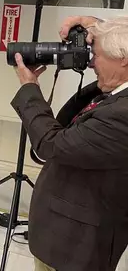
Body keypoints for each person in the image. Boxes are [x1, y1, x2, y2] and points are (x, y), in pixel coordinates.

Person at [11, 15, 128, 271]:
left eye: (95, 55)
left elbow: (51, 144)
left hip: (74, 246)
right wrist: (95, 24)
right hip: (71, 233)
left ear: (124, 59)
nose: (91, 63)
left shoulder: (122, 114)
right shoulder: (116, 93)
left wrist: (29, 89)